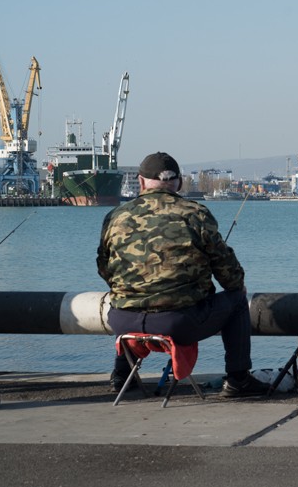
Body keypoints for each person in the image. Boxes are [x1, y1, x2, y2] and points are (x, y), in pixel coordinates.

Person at [97, 152, 266, 398]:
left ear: (141, 182)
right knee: (237, 300)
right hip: (178, 324)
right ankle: (238, 379)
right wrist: (234, 285)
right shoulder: (195, 213)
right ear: (179, 183)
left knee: (129, 298)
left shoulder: (115, 216)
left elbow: (104, 267)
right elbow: (227, 269)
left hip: (122, 322)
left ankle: (121, 376)